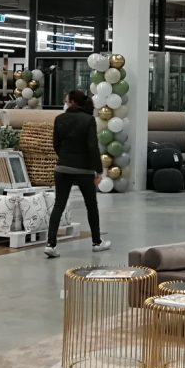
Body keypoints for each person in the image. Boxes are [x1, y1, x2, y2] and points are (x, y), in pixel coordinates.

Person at [45, 89, 109, 258]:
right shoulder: (88, 120)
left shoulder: (59, 119)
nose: (65, 103)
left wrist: (64, 158)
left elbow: (56, 144)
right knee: (91, 205)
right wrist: (98, 170)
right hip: (84, 170)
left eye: (66, 100)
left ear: (72, 102)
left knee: (59, 205)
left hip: (62, 168)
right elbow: (92, 146)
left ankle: (50, 244)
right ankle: (97, 242)